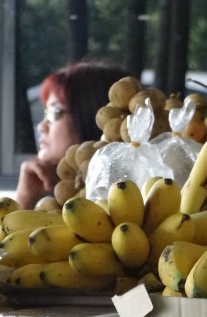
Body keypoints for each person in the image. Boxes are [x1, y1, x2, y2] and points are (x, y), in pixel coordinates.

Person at [15, 59, 127, 209]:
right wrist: (24, 199)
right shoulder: (51, 194)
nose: (42, 126)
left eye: (54, 112)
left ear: (92, 117)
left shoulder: (118, 202)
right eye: (45, 113)